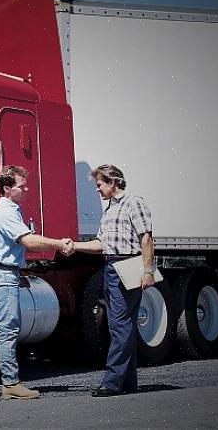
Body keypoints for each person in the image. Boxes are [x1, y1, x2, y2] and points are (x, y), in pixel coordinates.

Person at [0, 165, 74, 399]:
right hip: (1, 274)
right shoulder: (6, 212)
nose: (26, 189)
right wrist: (59, 244)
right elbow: (29, 242)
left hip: (4, 272)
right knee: (10, 328)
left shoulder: (11, 209)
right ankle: (10, 384)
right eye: (21, 186)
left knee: (8, 327)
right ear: (6, 189)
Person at [73, 164, 155, 397]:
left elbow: (146, 238)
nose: (97, 190)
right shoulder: (109, 211)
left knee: (120, 325)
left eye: (99, 184)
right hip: (111, 266)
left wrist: (147, 270)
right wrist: (73, 246)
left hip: (127, 265)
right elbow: (101, 244)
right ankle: (128, 382)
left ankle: (112, 382)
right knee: (120, 325)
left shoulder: (134, 203)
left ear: (112, 182)